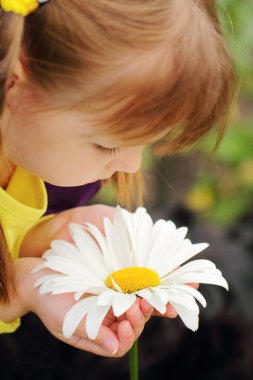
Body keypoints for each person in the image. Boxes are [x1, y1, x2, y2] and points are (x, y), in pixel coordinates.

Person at [0, 0, 235, 360]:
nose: (130, 163)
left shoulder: (51, 165)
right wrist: (22, 290)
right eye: (107, 144)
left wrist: (52, 233)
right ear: (12, 82)